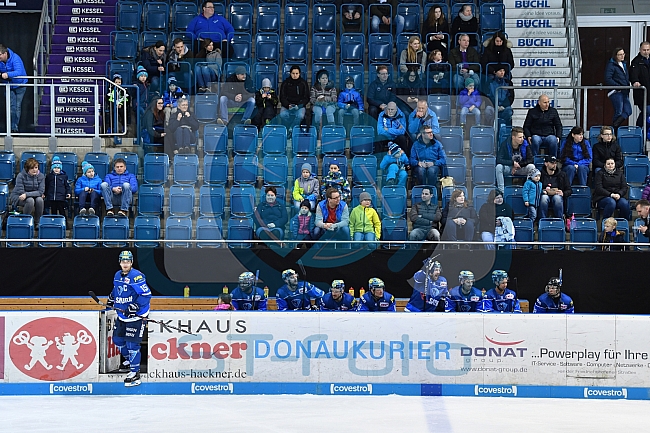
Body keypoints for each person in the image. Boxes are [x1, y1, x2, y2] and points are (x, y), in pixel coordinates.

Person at [107, 251, 151, 386]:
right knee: (118, 340)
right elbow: (117, 289)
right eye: (123, 261)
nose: (125, 264)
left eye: (128, 261)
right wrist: (111, 299)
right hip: (122, 315)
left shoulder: (136, 277)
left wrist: (135, 306)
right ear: (120, 262)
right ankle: (129, 362)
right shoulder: (117, 275)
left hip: (136, 316)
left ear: (131, 262)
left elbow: (146, 294)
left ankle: (135, 373)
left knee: (132, 345)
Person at [496, 126, 535, 193]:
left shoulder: (525, 144)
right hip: (510, 168)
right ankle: (501, 192)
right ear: (513, 137)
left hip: (521, 167)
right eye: (520, 137)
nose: (522, 139)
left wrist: (519, 164)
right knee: (499, 167)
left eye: (523, 137)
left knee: (532, 167)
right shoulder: (505, 144)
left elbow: (531, 159)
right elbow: (499, 159)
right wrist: (512, 163)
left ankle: (527, 191)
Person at [0, 44, 27, 133]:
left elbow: (18, 71)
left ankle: (14, 127)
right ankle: (11, 128)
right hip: (9, 85)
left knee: (17, 107)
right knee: (12, 107)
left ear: (5, 53)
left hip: (20, 85)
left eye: (0, 55)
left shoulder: (15, 58)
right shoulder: (0, 61)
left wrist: (7, 74)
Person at [11, 157, 44, 228]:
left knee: (40, 200)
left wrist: (27, 194)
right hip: (19, 196)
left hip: (30, 195)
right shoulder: (21, 176)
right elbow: (21, 191)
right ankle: (25, 221)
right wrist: (27, 194)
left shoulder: (41, 176)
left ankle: (37, 222)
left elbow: (41, 191)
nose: (34, 170)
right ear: (28, 169)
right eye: (32, 168)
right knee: (30, 200)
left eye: (36, 167)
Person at [604, 47, 633, 130]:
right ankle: (613, 131)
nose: (622, 56)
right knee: (619, 111)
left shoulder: (624, 64)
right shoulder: (611, 65)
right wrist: (617, 86)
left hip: (624, 91)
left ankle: (614, 127)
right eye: (620, 54)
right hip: (615, 91)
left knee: (628, 111)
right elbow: (608, 79)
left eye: (623, 54)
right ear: (615, 55)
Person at [279, 65, 310, 134]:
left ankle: (291, 129)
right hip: (287, 106)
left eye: (296, 73)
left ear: (299, 74)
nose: (295, 75)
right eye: (293, 73)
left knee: (300, 115)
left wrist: (299, 106)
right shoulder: (285, 83)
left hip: (299, 106)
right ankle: (289, 127)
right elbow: (282, 97)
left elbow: (306, 98)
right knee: (282, 114)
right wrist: (288, 105)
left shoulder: (303, 83)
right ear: (290, 73)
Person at [630, 41, 650, 128]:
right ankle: (638, 128)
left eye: (648, 50)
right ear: (640, 50)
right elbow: (633, 74)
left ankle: (643, 130)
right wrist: (635, 81)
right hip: (642, 94)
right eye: (644, 50)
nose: (646, 52)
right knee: (647, 111)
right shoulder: (636, 62)